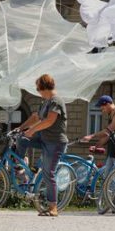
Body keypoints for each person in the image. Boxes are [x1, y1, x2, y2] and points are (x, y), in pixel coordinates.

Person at [16, 74, 68, 217]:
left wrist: (31, 130)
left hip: (56, 142)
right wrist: (21, 129)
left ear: (44, 87)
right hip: (44, 138)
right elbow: (36, 117)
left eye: (38, 88)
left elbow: (49, 121)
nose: (37, 91)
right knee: (21, 139)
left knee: (48, 173)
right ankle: (19, 167)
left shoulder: (56, 101)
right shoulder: (45, 101)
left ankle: (53, 207)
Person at [81, 95, 115, 175]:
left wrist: (91, 136)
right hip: (113, 152)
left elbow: (107, 131)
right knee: (107, 176)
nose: (102, 111)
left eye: (103, 108)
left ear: (108, 104)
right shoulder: (111, 115)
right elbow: (107, 136)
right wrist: (97, 146)